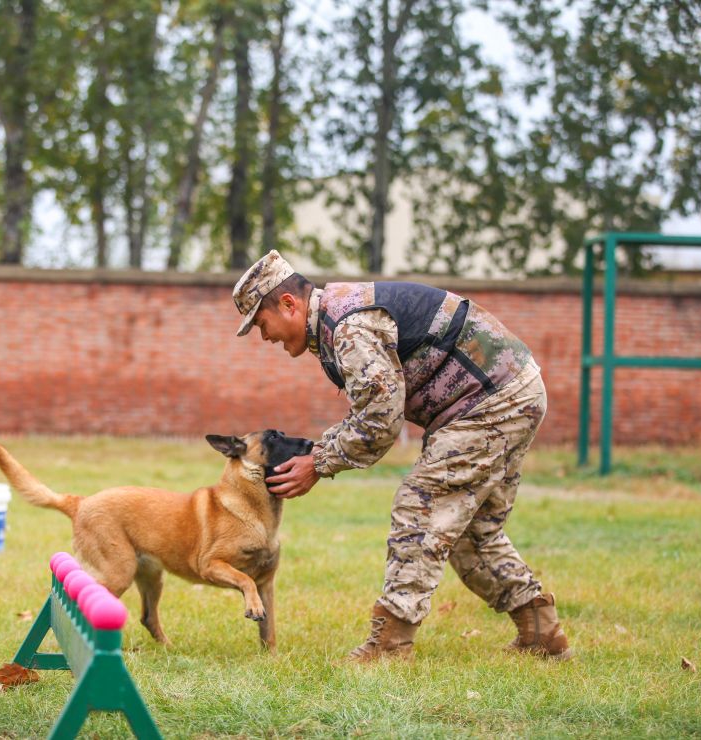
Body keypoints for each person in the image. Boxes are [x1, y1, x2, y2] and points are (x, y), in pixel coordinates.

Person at [231, 249, 571, 663]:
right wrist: (323, 452)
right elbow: (371, 409)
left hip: (490, 403)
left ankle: (390, 643)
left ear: (288, 304)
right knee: (472, 532)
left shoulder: (350, 328)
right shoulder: (339, 320)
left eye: (261, 324)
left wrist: (319, 462)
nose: (265, 337)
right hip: (510, 392)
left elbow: (380, 421)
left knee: (420, 507)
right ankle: (541, 632)